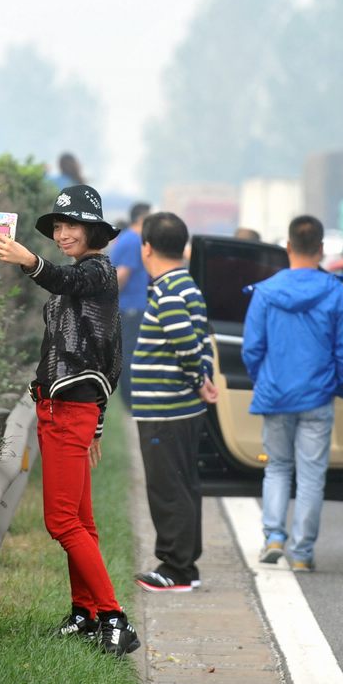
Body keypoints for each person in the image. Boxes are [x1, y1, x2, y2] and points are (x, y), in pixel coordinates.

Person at [0, 183, 141, 657]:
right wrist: (95, 423)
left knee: (60, 522)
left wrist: (28, 261)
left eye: (72, 224)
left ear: (93, 230)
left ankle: (114, 618)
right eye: (59, 225)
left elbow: (64, 284)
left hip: (69, 412)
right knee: (81, 522)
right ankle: (85, 613)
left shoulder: (97, 272)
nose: (63, 231)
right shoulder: (86, 276)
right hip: (60, 412)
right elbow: (106, 354)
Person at [240, 214, 343, 572]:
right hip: (317, 397)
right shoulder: (337, 292)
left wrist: (263, 379)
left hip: (276, 395)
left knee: (277, 467)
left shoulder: (265, 292)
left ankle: (274, 538)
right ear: (322, 250)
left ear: (288, 247)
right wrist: (338, 384)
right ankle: (302, 554)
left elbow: (252, 348)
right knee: (311, 475)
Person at [128, 211, 218, 593]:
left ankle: (174, 568)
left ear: (146, 248)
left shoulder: (167, 291)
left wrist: (199, 380)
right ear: (183, 247)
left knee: (167, 488)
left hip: (166, 408)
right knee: (183, 485)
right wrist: (204, 376)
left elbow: (184, 339)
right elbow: (203, 339)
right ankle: (186, 566)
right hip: (179, 407)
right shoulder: (188, 286)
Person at [108, 202, 152, 406]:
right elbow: (122, 275)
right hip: (131, 307)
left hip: (129, 306)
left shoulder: (127, 238)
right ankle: (129, 401)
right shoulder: (134, 241)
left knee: (126, 351)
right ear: (141, 219)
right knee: (129, 353)